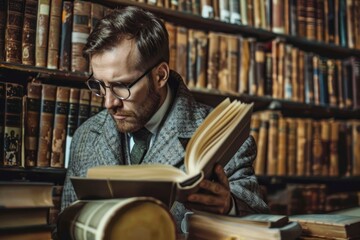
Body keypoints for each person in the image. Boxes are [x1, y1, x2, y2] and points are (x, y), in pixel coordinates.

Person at [61, 6, 269, 233]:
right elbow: (64, 227)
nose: (109, 103)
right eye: (100, 85)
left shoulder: (219, 133)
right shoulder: (85, 136)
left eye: (121, 86)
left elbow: (259, 217)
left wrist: (229, 208)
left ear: (160, 75)